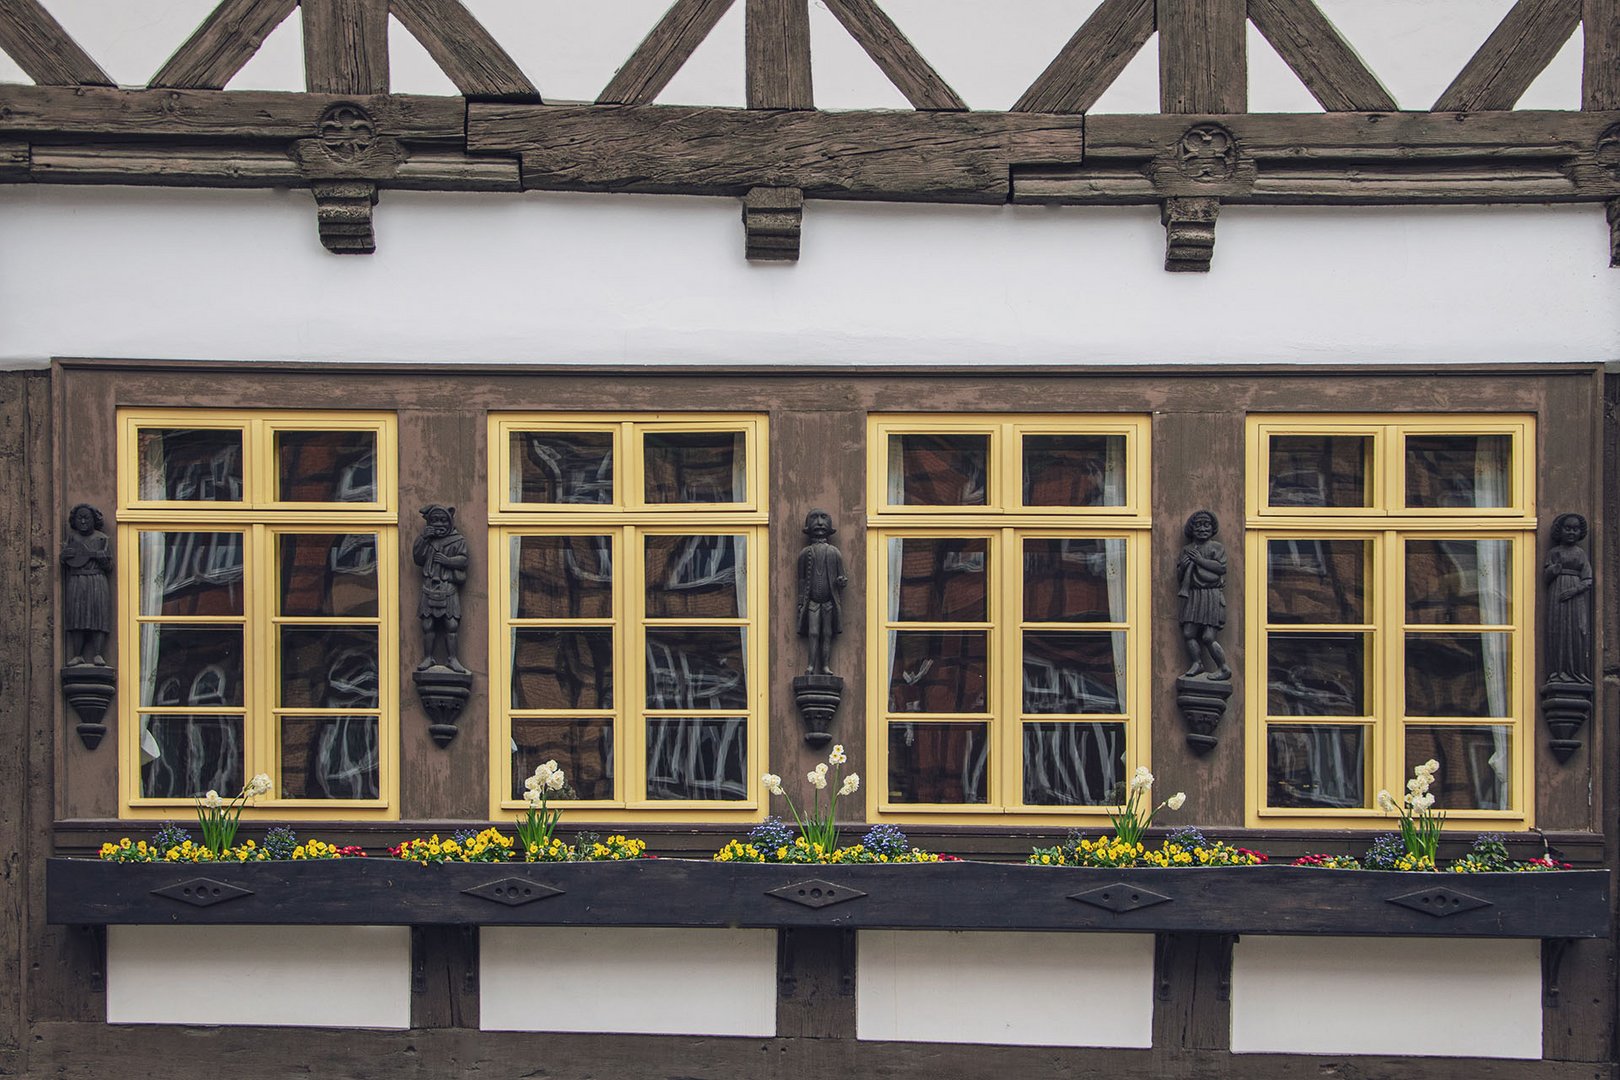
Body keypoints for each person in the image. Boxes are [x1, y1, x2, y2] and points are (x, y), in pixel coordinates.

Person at [414, 504, 470, 673]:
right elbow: (417, 557)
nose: (439, 524)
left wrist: (448, 561)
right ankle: (428, 657)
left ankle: (452, 659)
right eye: (435, 520)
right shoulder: (426, 540)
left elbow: (463, 559)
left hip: (448, 586)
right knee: (428, 624)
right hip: (429, 585)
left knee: (451, 624)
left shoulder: (458, 540)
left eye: (443, 520)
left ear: (450, 521)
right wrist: (423, 539)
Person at [1177, 510, 1231, 680]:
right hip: (1193, 595)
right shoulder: (1187, 549)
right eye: (1198, 525)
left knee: (1208, 637)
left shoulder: (1216, 547)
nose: (1202, 529)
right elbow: (1179, 576)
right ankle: (1197, 663)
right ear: (1191, 529)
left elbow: (1221, 568)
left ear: (1212, 528)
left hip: (1211, 595)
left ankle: (1223, 668)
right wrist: (1184, 567)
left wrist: (1200, 561)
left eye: (1206, 525)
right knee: (1188, 633)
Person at [796, 509, 847, 675]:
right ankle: (811, 665)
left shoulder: (834, 553)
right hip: (812, 602)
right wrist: (800, 601)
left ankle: (825, 666)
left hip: (828, 602)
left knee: (827, 634)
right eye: (814, 519)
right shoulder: (805, 554)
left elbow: (842, 575)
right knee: (813, 632)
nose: (819, 523)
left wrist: (841, 581)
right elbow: (801, 580)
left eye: (823, 519)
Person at [61, 504, 112, 666]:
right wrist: (64, 556)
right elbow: (66, 558)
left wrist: (102, 559)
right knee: (77, 616)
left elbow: (109, 566)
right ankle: (78, 654)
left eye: (86, 518)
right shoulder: (72, 539)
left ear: (94, 520)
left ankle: (98, 653)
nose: (83, 521)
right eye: (79, 518)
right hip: (77, 580)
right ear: (74, 521)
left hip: (97, 580)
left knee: (98, 615)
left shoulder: (102, 538)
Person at [1544, 512, 1593, 683]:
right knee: (1557, 631)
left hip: (1575, 596)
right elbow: (1546, 576)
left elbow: (1588, 580)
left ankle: (1575, 672)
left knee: (1577, 631)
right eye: (1568, 529)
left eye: (1575, 529)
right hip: (1557, 594)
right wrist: (1554, 569)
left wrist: (1574, 590)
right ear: (1560, 530)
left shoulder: (1580, 553)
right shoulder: (1553, 552)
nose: (1572, 532)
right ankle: (1558, 672)